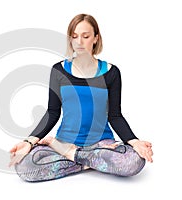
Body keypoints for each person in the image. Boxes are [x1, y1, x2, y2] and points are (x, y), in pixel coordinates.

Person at [9, 13, 153, 182]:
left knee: (134, 162)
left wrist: (135, 142)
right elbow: (52, 112)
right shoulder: (59, 70)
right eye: (75, 36)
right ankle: (94, 162)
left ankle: (73, 155)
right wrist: (29, 141)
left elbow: (115, 115)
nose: (79, 42)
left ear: (95, 39)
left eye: (85, 36)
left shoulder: (111, 73)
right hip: (64, 141)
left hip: (100, 144)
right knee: (25, 166)